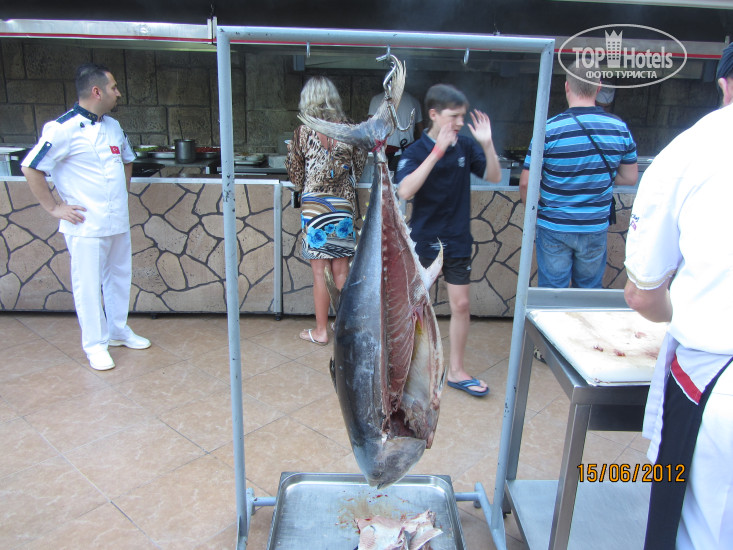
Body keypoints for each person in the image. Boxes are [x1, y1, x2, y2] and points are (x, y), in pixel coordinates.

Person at [624, 43, 733, 550]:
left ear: (724, 84)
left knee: (701, 532)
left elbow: (643, 295)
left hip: (715, 381)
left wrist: (677, 307)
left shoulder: (692, 150)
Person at [21, 63, 150, 371]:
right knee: (88, 285)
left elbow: (127, 160)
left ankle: (118, 330)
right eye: (114, 87)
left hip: (116, 220)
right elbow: (31, 167)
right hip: (85, 224)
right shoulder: (62, 129)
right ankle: (95, 344)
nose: (118, 93)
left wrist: (122, 194)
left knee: (119, 278)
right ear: (97, 91)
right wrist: (54, 208)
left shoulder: (113, 126)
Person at [395, 84, 501, 398]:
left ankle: (455, 370)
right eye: (453, 116)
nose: (459, 122)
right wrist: (436, 153)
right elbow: (404, 190)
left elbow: (494, 176)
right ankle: (404, 370)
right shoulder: (415, 151)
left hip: (457, 240)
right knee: (413, 308)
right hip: (423, 241)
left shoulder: (466, 147)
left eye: (462, 116)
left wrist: (488, 144)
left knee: (461, 305)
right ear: (434, 114)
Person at [519, 64, 638, 288]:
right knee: (588, 292)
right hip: (594, 227)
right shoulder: (619, 128)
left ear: (567, 86)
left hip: (554, 226)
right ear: (598, 87)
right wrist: (597, 178)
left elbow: (526, 184)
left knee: (552, 293)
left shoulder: (548, 129)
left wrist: (534, 212)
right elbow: (630, 178)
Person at [287, 76, 367, 346]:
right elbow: (358, 167)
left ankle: (321, 332)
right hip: (342, 203)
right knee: (341, 271)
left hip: (314, 206)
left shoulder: (302, 132)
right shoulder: (350, 131)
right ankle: (346, 330)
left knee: (320, 272)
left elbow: (296, 176)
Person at [368, 89, 424, 172]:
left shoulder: (376, 100)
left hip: (386, 155)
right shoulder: (413, 101)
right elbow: (421, 132)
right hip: (407, 153)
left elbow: (370, 130)